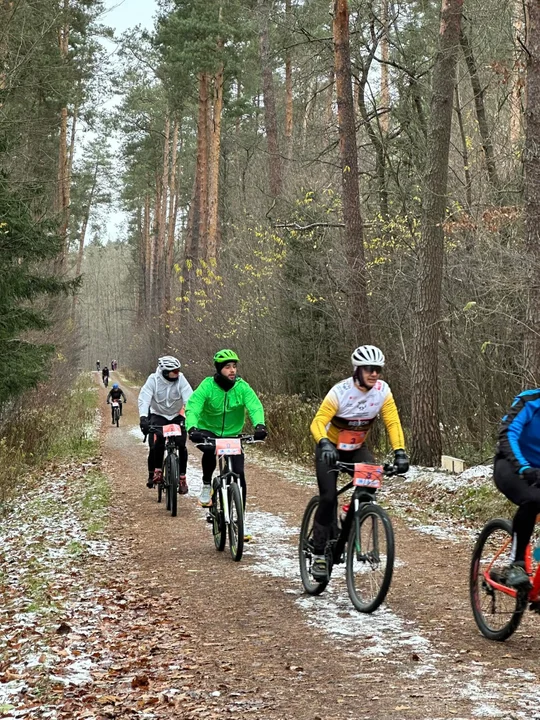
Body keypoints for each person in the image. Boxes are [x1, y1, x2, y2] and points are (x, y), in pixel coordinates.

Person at [309, 344, 409, 581]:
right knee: (328, 498)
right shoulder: (340, 392)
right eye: (369, 369)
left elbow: (392, 422)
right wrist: (323, 443)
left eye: (378, 369)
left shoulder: (383, 391)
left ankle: (350, 522)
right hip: (330, 451)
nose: (374, 374)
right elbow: (317, 422)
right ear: (357, 370)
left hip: (356, 449)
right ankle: (320, 553)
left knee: (370, 487)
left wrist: (400, 452)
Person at [185, 349, 267, 539]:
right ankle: (207, 485)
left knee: (239, 474)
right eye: (227, 367)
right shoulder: (207, 385)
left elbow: (254, 406)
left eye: (234, 367)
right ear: (219, 369)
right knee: (208, 450)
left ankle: (240, 520)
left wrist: (260, 425)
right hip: (208, 430)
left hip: (232, 434)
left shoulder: (242, 387)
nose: (232, 370)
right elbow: (194, 406)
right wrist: (192, 428)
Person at [493, 389, 540, 588]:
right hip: (512, 465)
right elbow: (508, 432)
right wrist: (523, 466)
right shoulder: (530, 401)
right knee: (533, 500)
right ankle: (516, 564)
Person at [138, 356, 193, 493]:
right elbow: (144, 399)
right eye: (173, 371)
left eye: (178, 371)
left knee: (181, 444)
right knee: (159, 441)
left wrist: (192, 420)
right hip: (158, 414)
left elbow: (190, 399)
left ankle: (182, 477)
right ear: (163, 371)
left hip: (176, 414)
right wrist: (143, 418)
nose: (176, 374)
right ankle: (157, 470)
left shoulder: (181, 379)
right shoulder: (153, 380)